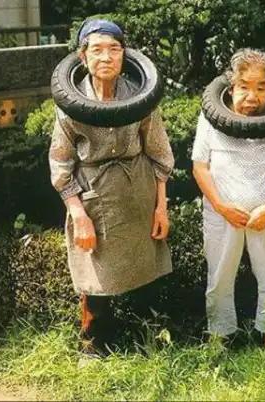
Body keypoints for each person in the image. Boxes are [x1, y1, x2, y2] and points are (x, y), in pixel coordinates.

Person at [48, 19, 174, 355]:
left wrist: (161, 207)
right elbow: (61, 165)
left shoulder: (141, 97)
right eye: (97, 50)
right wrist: (79, 216)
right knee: (95, 278)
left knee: (147, 270)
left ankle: (151, 341)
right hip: (93, 194)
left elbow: (160, 154)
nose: (106, 57)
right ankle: (94, 346)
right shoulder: (70, 104)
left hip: (138, 190)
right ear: (83, 57)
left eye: (114, 49)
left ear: (124, 55)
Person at [192, 48, 265, 347]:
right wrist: (222, 206)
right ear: (231, 87)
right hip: (222, 213)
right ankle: (219, 334)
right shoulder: (210, 118)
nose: (252, 96)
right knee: (219, 277)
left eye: (261, 88)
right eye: (244, 87)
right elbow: (200, 166)